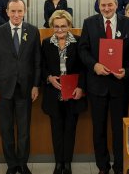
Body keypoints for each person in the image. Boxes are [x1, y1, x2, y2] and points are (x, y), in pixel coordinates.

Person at [79, 0, 129, 174]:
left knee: (119, 130)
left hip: (120, 86)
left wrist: (127, 71)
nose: (106, 8)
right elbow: (83, 50)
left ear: (116, 4)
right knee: (99, 129)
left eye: (109, 5)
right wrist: (94, 65)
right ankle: (103, 167)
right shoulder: (89, 23)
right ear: (99, 5)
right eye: (103, 5)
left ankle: (120, 167)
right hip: (97, 85)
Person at [0, 0, 41, 174]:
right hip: (3, 90)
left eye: (19, 11)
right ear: (7, 12)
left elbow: (37, 62)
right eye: (13, 11)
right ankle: (11, 164)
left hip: (26, 89)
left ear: (24, 11)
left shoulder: (33, 31)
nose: (16, 15)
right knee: (6, 129)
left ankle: (22, 163)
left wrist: (35, 85)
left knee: (24, 130)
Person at [41, 10, 87, 174]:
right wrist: (49, 78)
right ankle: (58, 162)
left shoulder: (79, 42)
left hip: (74, 93)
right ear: (52, 26)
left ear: (69, 26)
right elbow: (42, 66)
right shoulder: (46, 43)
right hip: (53, 94)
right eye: (56, 26)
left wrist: (80, 87)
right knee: (56, 130)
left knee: (70, 129)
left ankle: (67, 163)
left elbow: (84, 67)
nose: (60, 30)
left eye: (63, 26)